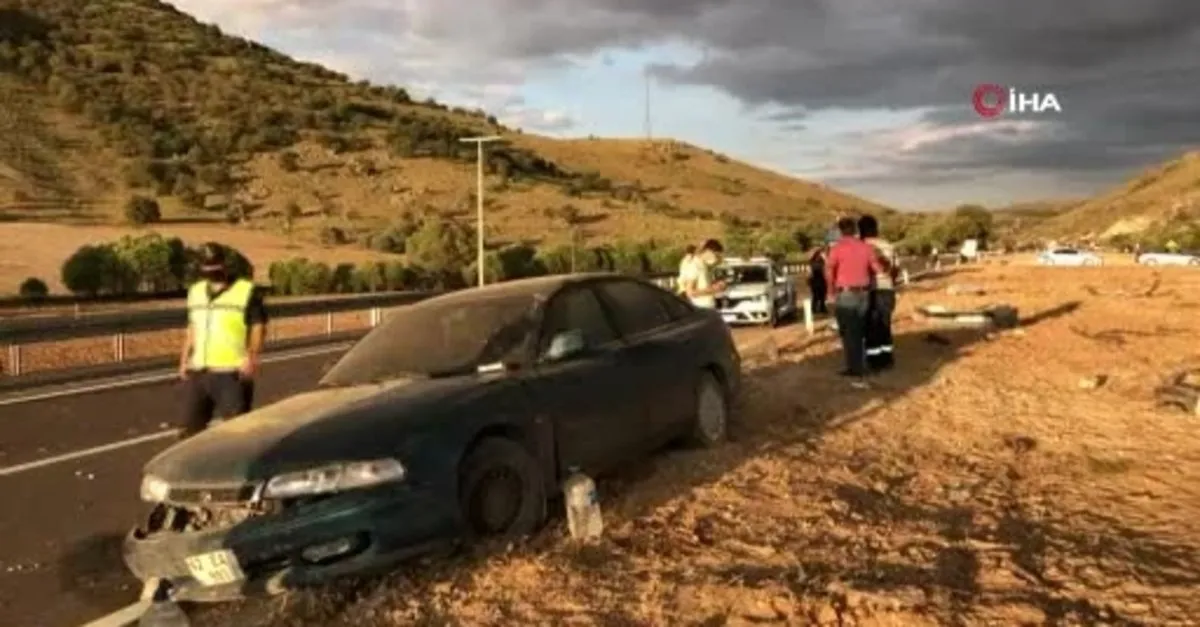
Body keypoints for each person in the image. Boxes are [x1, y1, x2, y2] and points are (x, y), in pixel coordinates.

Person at [177, 243, 268, 438]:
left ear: (225, 265)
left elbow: (258, 326)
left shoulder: (246, 291)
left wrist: (251, 357)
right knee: (188, 432)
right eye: (206, 268)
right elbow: (193, 326)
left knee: (236, 433)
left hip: (232, 373)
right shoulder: (196, 292)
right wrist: (184, 359)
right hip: (199, 371)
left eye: (215, 267)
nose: (211, 272)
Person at [825, 218, 883, 380]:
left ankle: (855, 368)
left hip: (846, 294)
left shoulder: (836, 249)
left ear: (840, 231)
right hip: (864, 294)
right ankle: (858, 364)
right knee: (860, 330)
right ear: (855, 230)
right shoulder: (866, 247)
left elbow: (829, 272)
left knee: (849, 332)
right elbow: (877, 269)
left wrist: (830, 292)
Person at [859, 215, 897, 371]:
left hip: (870, 290)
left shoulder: (861, 246)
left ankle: (874, 360)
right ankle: (887, 358)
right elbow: (895, 269)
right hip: (887, 289)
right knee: (885, 324)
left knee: (871, 325)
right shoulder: (888, 246)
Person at [681, 239, 726, 309]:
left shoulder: (704, 266)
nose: (716, 258)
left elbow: (703, 285)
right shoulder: (695, 266)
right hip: (700, 308)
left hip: (708, 308)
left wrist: (717, 285)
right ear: (709, 251)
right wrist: (713, 289)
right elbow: (690, 292)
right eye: (716, 255)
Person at [807, 246, 828, 315]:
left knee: (822, 295)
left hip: (822, 279)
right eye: (819, 254)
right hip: (815, 280)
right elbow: (809, 272)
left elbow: (828, 266)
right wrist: (809, 279)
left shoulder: (822, 261)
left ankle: (822, 307)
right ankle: (814, 308)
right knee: (815, 295)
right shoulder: (812, 262)